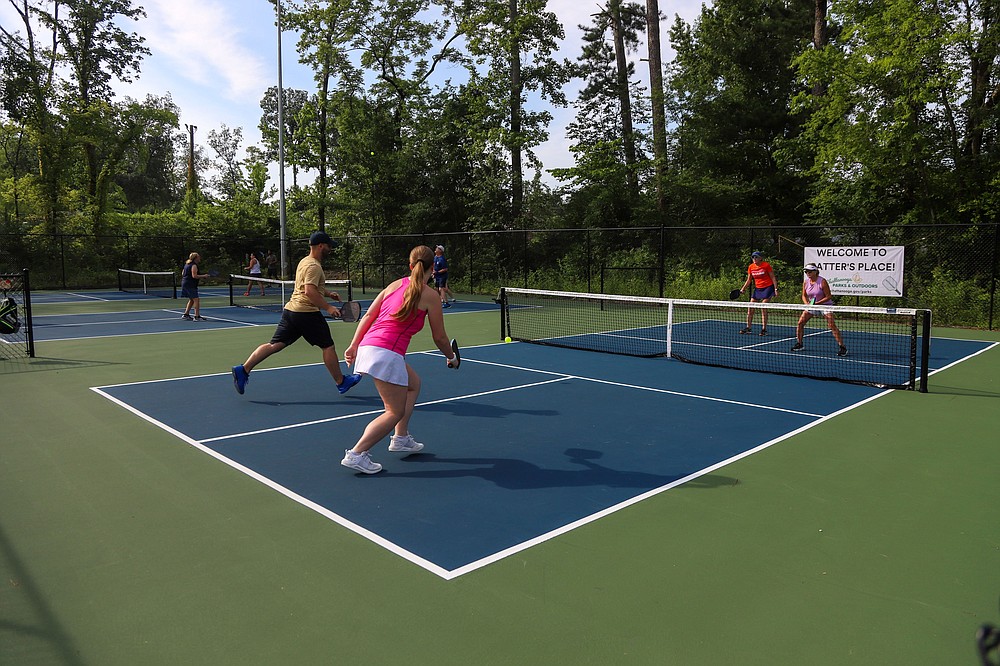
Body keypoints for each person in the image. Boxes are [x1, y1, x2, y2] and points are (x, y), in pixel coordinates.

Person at [340, 245, 457, 474]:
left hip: (369, 347)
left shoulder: (394, 285)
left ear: (411, 265)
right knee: (394, 411)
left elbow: (369, 316)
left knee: (413, 384)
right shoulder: (431, 296)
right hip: (385, 353)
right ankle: (356, 454)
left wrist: (354, 345)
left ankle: (400, 438)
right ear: (432, 268)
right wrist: (451, 357)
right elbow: (440, 337)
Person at [231, 232, 362, 396]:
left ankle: (243, 369)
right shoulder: (314, 266)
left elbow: (307, 286)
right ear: (321, 246)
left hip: (291, 311)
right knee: (328, 346)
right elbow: (309, 292)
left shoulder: (305, 261)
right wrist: (328, 307)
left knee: (275, 344)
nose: (330, 249)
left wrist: (328, 293)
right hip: (306, 313)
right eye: (329, 246)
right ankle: (341, 382)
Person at [792, 263, 847, 356]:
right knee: (800, 323)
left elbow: (828, 296)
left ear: (815, 271)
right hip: (812, 306)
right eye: (806, 271)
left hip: (825, 305)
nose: (807, 273)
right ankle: (799, 344)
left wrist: (817, 303)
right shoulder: (806, 282)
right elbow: (804, 295)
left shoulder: (822, 281)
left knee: (831, 325)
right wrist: (807, 304)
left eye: (809, 271)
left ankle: (842, 347)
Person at [738, 250, 778, 335]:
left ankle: (764, 329)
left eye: (756, 257)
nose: (754, 258)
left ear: (760, 258)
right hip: (758, 289)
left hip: (768, 288)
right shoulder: (751, 267)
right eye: (753, 257)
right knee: (750, 307)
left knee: (763, 307)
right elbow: (749, 280)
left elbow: (773, 277)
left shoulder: (766, 265)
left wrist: (775, 289)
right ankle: (748, 327)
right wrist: (743, 289)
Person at [180, 252, 208, 321]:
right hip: (190, 284)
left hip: (186, 283)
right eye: (198, 257)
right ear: (195, 258)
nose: (199, 258)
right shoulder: (194, 265)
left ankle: (186, 314)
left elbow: (183, 273)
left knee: (192, 300)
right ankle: (197, 316)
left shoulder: (187, 264)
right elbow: (194, 276)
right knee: (196, 299)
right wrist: (204, 276)